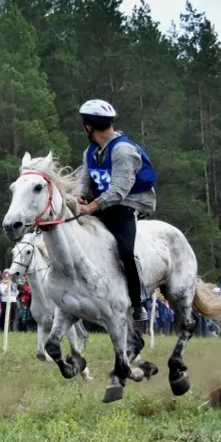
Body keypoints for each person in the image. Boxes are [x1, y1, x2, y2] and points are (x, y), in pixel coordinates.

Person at [73, 99, 157, 325]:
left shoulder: (123, 150)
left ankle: (138, 301)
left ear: (89, 126)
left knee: (126, 251)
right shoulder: (91, 151)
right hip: (103, 203)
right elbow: (84, 179)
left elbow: (119, 190)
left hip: (129, 203)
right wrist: (79, 195)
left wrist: (91, 207)